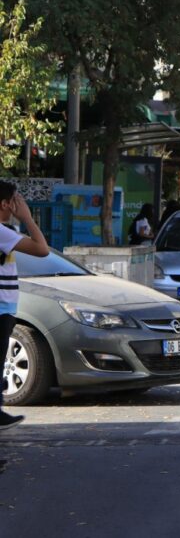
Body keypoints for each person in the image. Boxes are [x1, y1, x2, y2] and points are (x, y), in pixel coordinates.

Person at [0, 182, 50, 430]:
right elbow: (42, 250)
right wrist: (28, 218)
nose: (18, 205)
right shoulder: (1, 232)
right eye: (15, 200)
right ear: (5, 204)